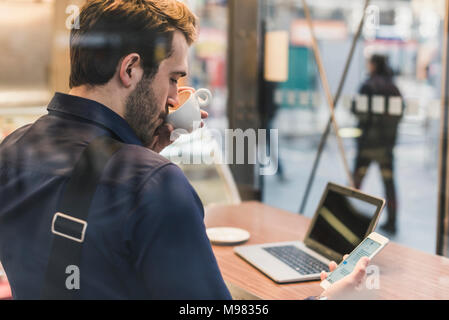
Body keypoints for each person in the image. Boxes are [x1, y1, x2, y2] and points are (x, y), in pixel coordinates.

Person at [0, 0, 369, 299]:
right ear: (130, 69)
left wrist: (138, 150)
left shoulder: (11, 149)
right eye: (174, 78)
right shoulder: (153, 184)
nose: (176, 97)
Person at [353, 54, 403, 233]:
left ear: (374, 65)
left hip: (367, 146)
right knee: (388, 184)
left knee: (355, 185)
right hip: (385, 148)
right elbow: (398, 116)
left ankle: (348, 218)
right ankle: (392, 222)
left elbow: (359, 111)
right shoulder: (393, 88)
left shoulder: (368, 86)